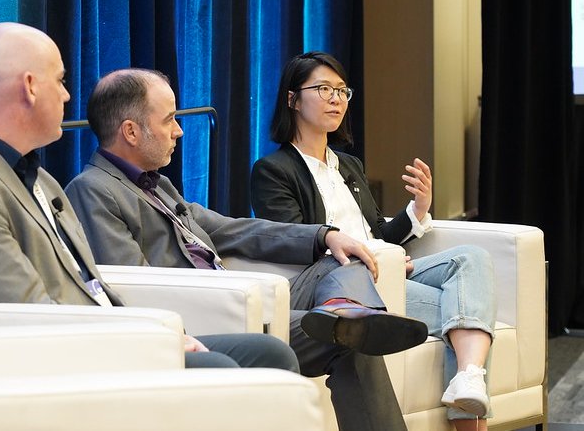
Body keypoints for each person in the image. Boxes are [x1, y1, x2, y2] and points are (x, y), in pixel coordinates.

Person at [0, 22, 300, 373]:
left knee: (268, 353)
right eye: (61, 81)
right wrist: (147, 341)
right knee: (220, 369)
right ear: (31, 87)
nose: (69, 97)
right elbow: (29, 313)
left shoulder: (34, 177)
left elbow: (90, 285)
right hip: (62, 364)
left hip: (101, 335)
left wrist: (160, 331)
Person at [64, 67, 429, 431]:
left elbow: (231, 229)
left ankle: (345, 308)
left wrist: (323, 235)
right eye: (170, 120)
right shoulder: (95, 189)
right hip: (215, 314)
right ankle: (346, 319)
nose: (179, 130)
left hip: (245, 297)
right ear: (130, 131)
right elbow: (134, 284)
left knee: (341, 259)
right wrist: (224, 295)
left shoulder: (157, 186)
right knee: (347, 339)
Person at [250, 51, 496, 431]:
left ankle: (469, 377)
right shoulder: (273, 170)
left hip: (387, 268)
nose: (336, 99)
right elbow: (297, 240)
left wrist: (418, 209)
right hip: (345, 285)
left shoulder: (348, 165)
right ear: (292, 99)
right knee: (467, 312)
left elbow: (376, 234)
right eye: (323, 89)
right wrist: (382, 256)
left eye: (342, 91)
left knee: (472, 259)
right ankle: (469, 411)